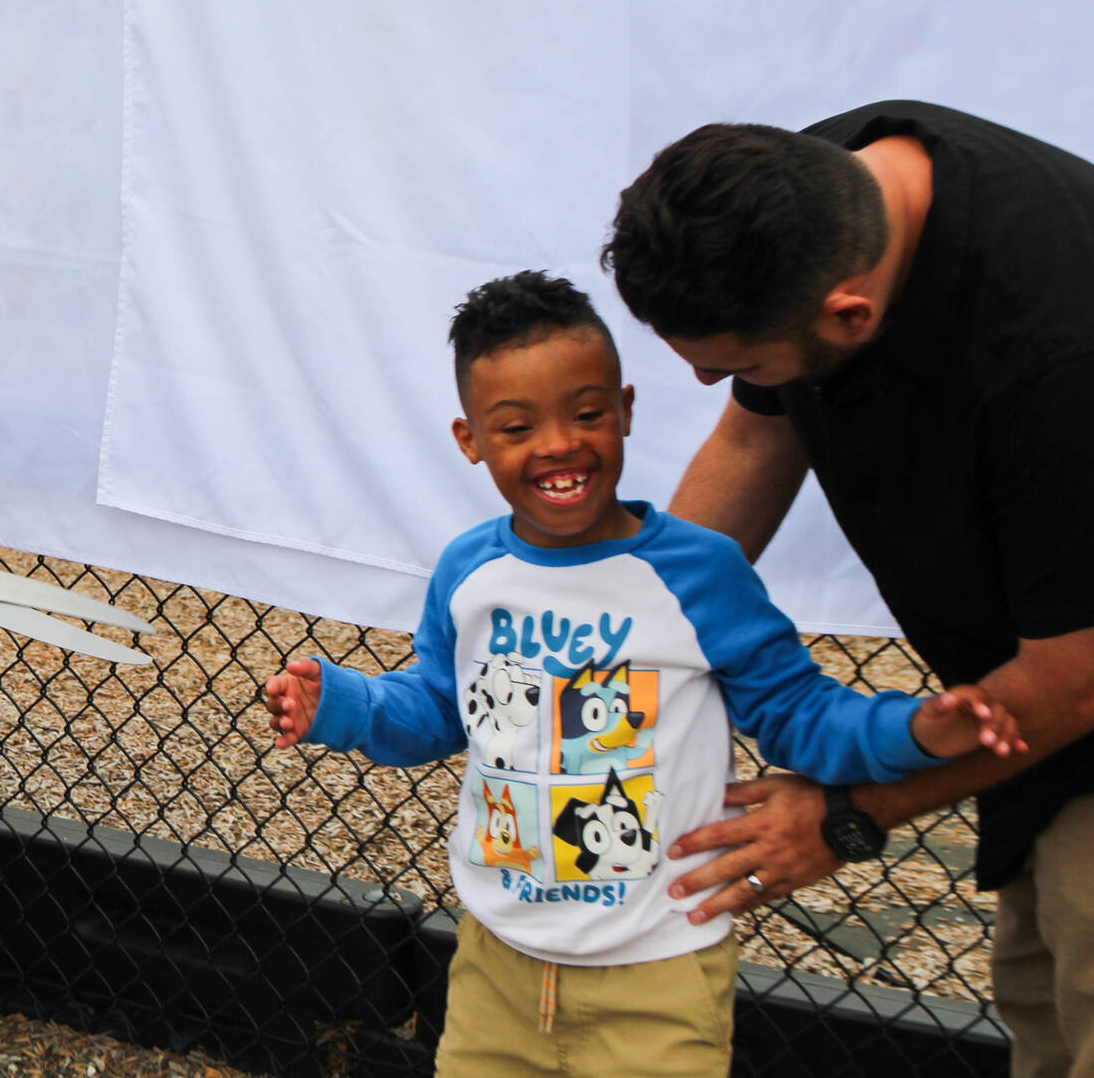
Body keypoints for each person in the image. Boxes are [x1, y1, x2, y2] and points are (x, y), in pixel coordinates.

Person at [258, 271, 1022, 1077]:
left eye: (586, 414)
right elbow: (440, 707)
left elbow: (801, 712)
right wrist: (339, 701)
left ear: (625, 408)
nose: (558, 443)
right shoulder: (469, 571)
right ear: (470, 438)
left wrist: (915, 730)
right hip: (495, 964)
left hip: (659, 976)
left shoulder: (702, 572)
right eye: (517, 426)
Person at [602, 101, 1094, 1078]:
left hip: (1071, 677)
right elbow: (752, 435)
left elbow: (1071, 679)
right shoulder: (812, 193)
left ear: (847, 314)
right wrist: (620, 640)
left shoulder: (1054, 358)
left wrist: (843, 811)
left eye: (728, 362)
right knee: (1042, 998)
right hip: (1041, 677)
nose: (706, 383)